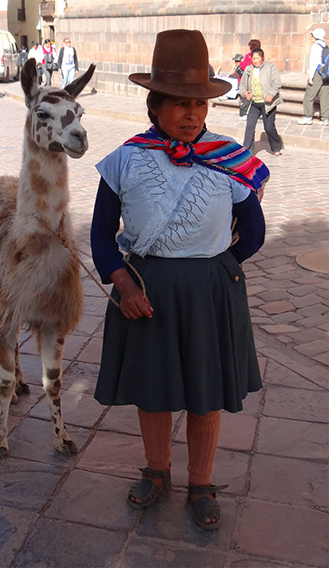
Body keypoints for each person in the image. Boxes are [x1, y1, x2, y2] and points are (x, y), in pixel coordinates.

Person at [90, 29, 267, 531]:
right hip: (144, 291)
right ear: (155, 105)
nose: (192, 114)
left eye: (200, 105)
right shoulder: (125, 160)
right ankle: (157, 470)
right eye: (179, 104)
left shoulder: (229, 160)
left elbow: (252, 232)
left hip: (209, 292)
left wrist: (220, 270)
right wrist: (123, 283)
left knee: (205, 391)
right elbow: (102, 235)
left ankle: (202, 482)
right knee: (155, 388)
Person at [239, 48, 283, 156]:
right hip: (253, 103)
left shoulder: (270, 67)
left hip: (268, 104)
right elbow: (242, 84)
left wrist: (271, 94)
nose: (255, 61)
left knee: (269, 127)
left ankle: (276, 146)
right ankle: (247, 151)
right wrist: (244, 93)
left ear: (262, 58)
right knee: (249, 126)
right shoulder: (249, 69)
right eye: (253, 59)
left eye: (257, 58)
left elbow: (277, 83)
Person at [298, 28, 329, 126]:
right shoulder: (325, 45)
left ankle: (308, 117)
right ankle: (325, 118)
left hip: (318, 73)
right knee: (324, 95)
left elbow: (314, 62)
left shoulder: (315, 46)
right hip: (326, 74)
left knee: (309, 95)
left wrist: (311, 76)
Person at [237, 39, 261, 120]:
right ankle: (243, 114)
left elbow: (243, 65)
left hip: (249, 80)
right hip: (250, 80)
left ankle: (244, 113)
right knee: (246, 97)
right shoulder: (257, 56)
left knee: (246, 97)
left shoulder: (250, 56)